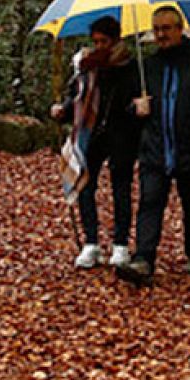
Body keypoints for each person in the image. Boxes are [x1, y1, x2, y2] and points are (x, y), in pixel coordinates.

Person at [116, 6, 190, 285]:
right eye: (156, 30)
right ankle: (144, 259)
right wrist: (135, 108)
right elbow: (123, 108)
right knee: (150, 202)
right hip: (155, 149)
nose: (161, 35)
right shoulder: (148, 67)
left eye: (166, 29)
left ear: (180, 29)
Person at [51, 15, 142, 269]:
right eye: (96, 41)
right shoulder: (88, 66)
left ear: (115, 40)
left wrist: (138, 108)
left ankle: (120, 245)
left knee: (120, 188)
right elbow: (78, 97)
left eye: (104, 41)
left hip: (122, 133)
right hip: (92, 134)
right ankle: (91, 243)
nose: (99, 46)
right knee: (84, 185)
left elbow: (135, 99)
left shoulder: (130, 67)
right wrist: (63, 110)